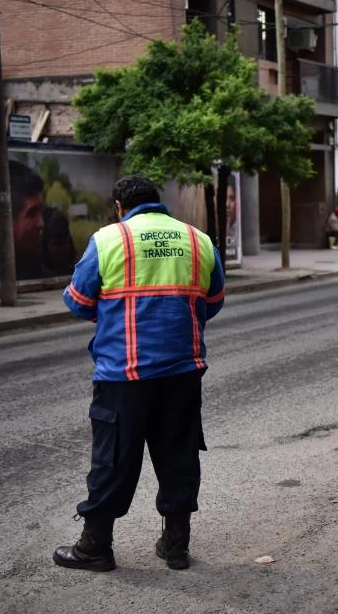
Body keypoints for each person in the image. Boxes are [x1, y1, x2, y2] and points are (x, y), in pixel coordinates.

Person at [55, 175, 225, 572]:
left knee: (113, 459)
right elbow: (213, 301)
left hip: (123, 376)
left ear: (120, 206)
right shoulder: (198, 241)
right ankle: (176, 546)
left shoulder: (109, 240)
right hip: (182, 370)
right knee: (178, 454)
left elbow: (78, 302)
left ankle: (95, 547)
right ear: (158, 202)